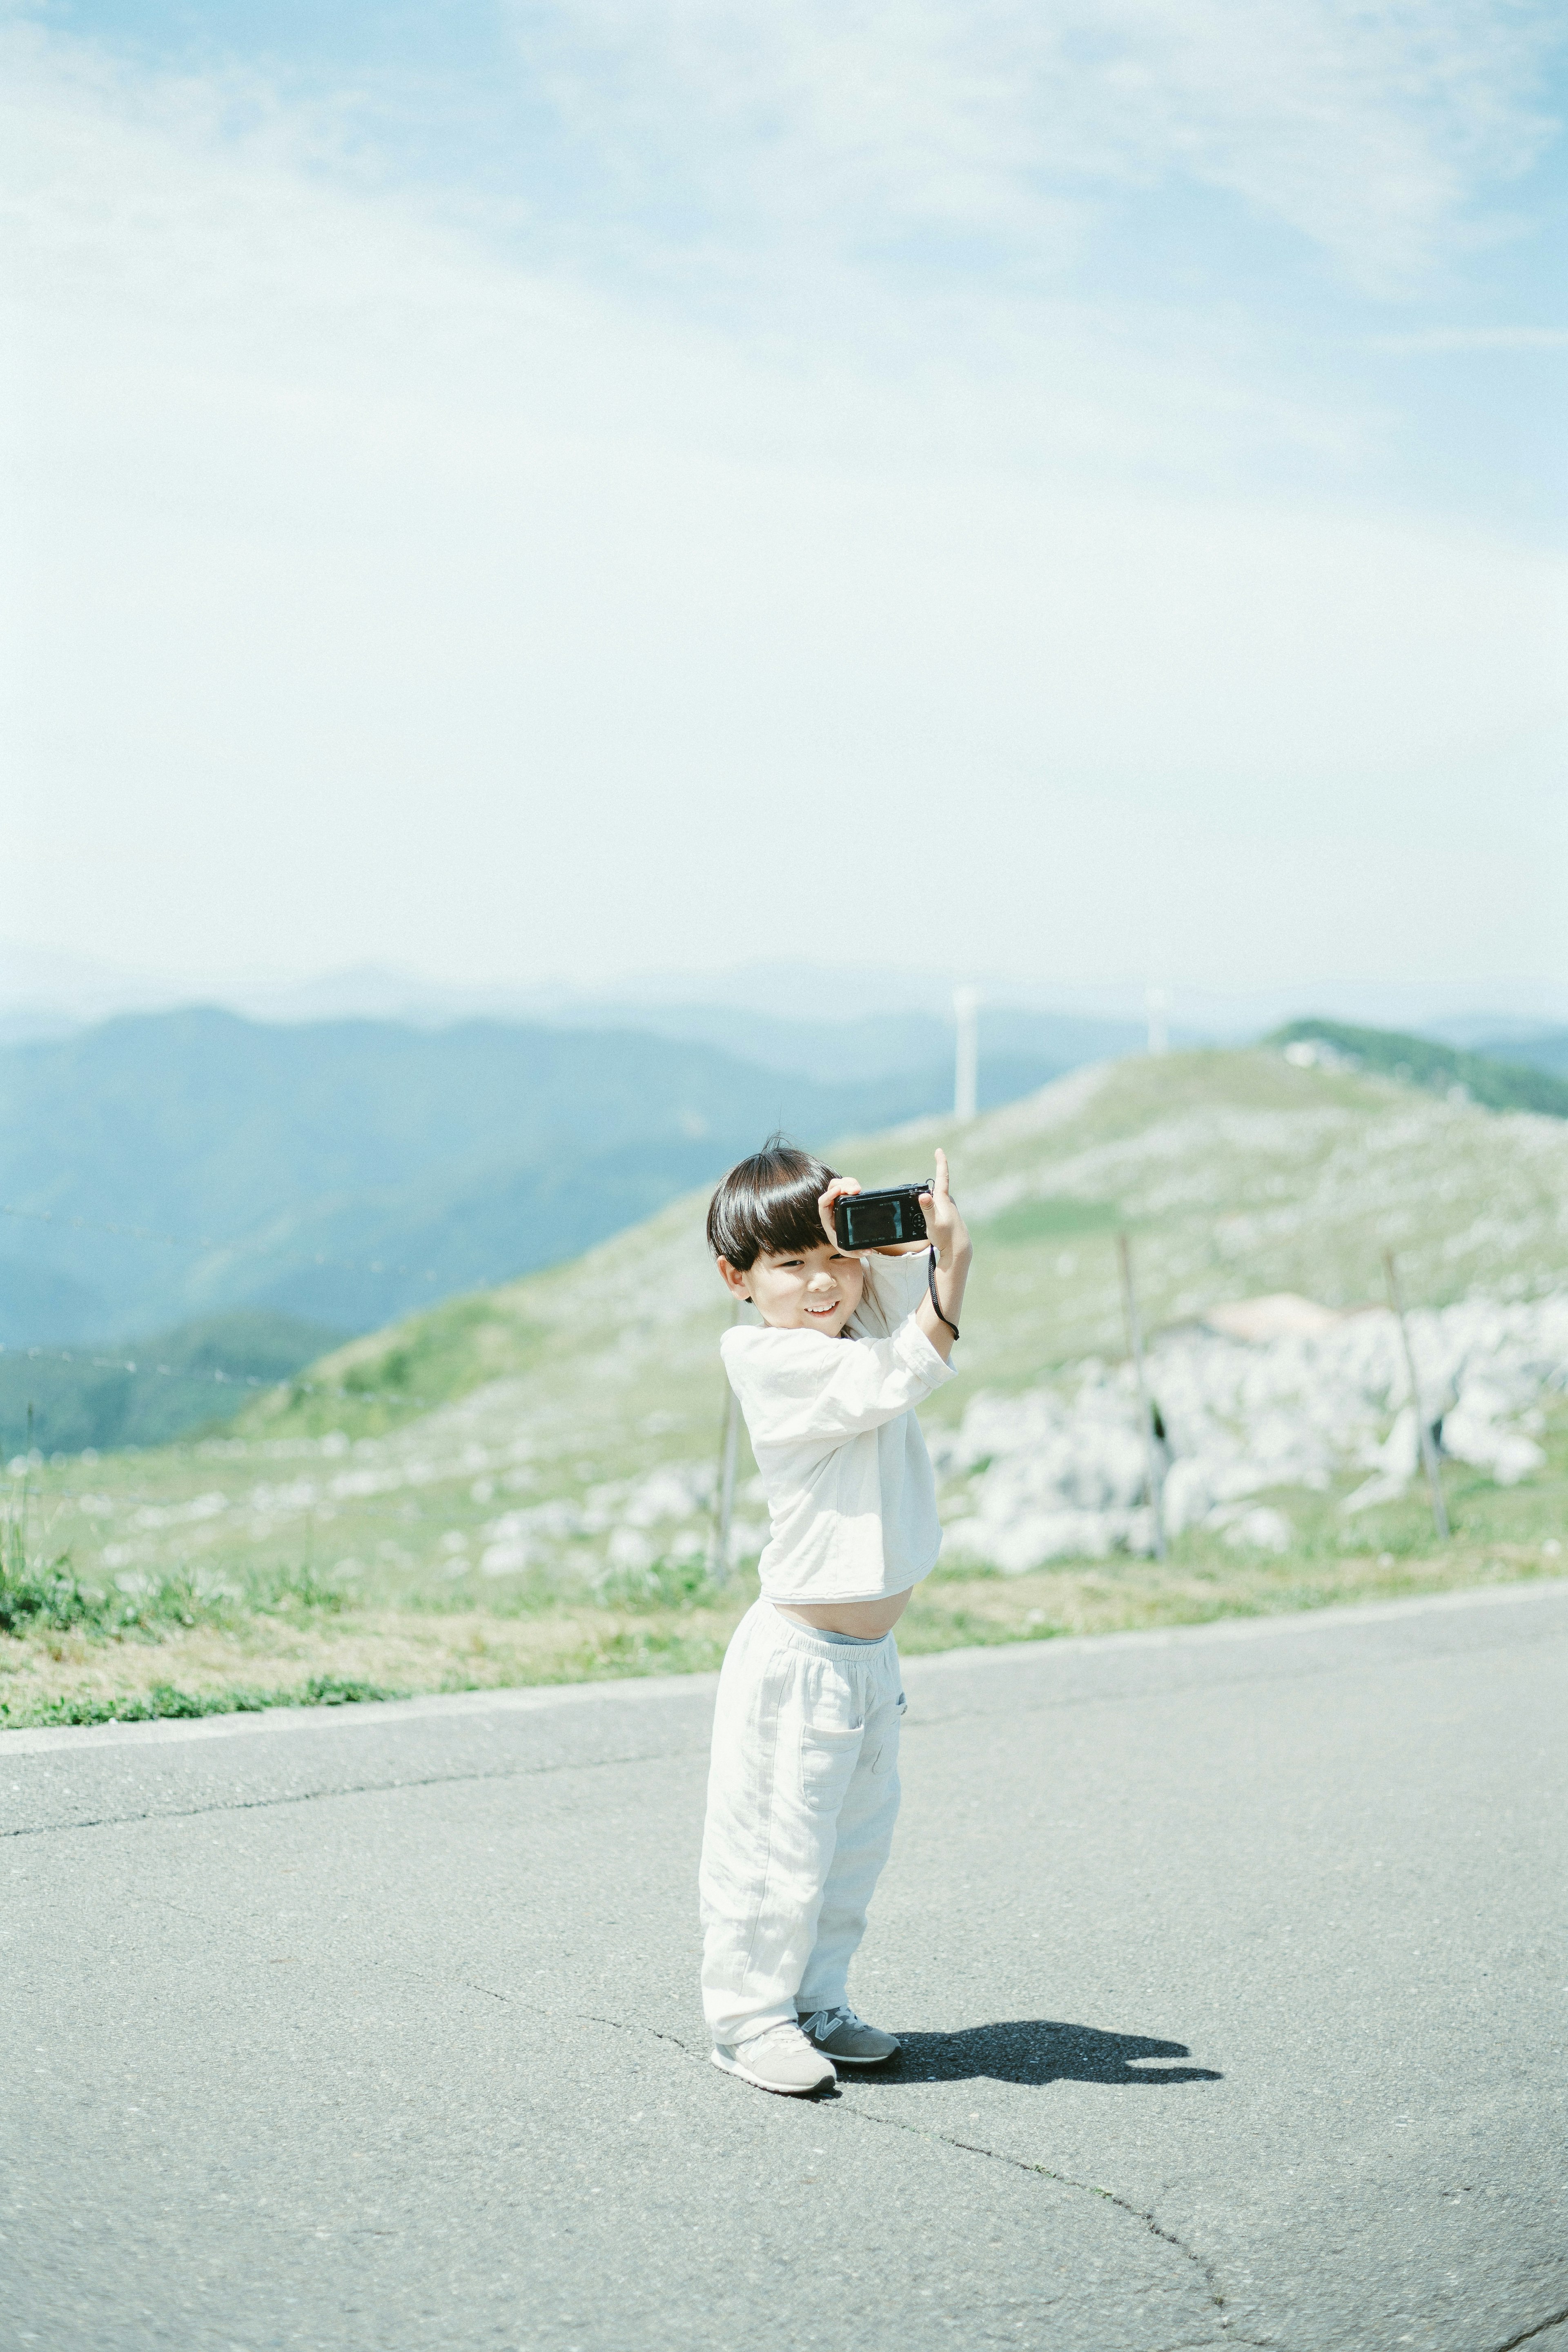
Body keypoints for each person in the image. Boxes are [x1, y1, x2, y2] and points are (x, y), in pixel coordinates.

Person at [698, 1138, 972, 2095]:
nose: (821, 1286)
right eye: (789, 1266)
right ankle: (749, 2019)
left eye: (832, 1259)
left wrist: (888, 1247)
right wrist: (953, 1267)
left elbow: (893, 1323)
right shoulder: (771, 1361)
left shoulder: (845, 1325)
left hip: (869, 1661)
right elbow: (906, 1369)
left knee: (849, 1849)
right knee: (777, 1849)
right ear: (737, 1279)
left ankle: (817, 2002)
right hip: (798, 1659)